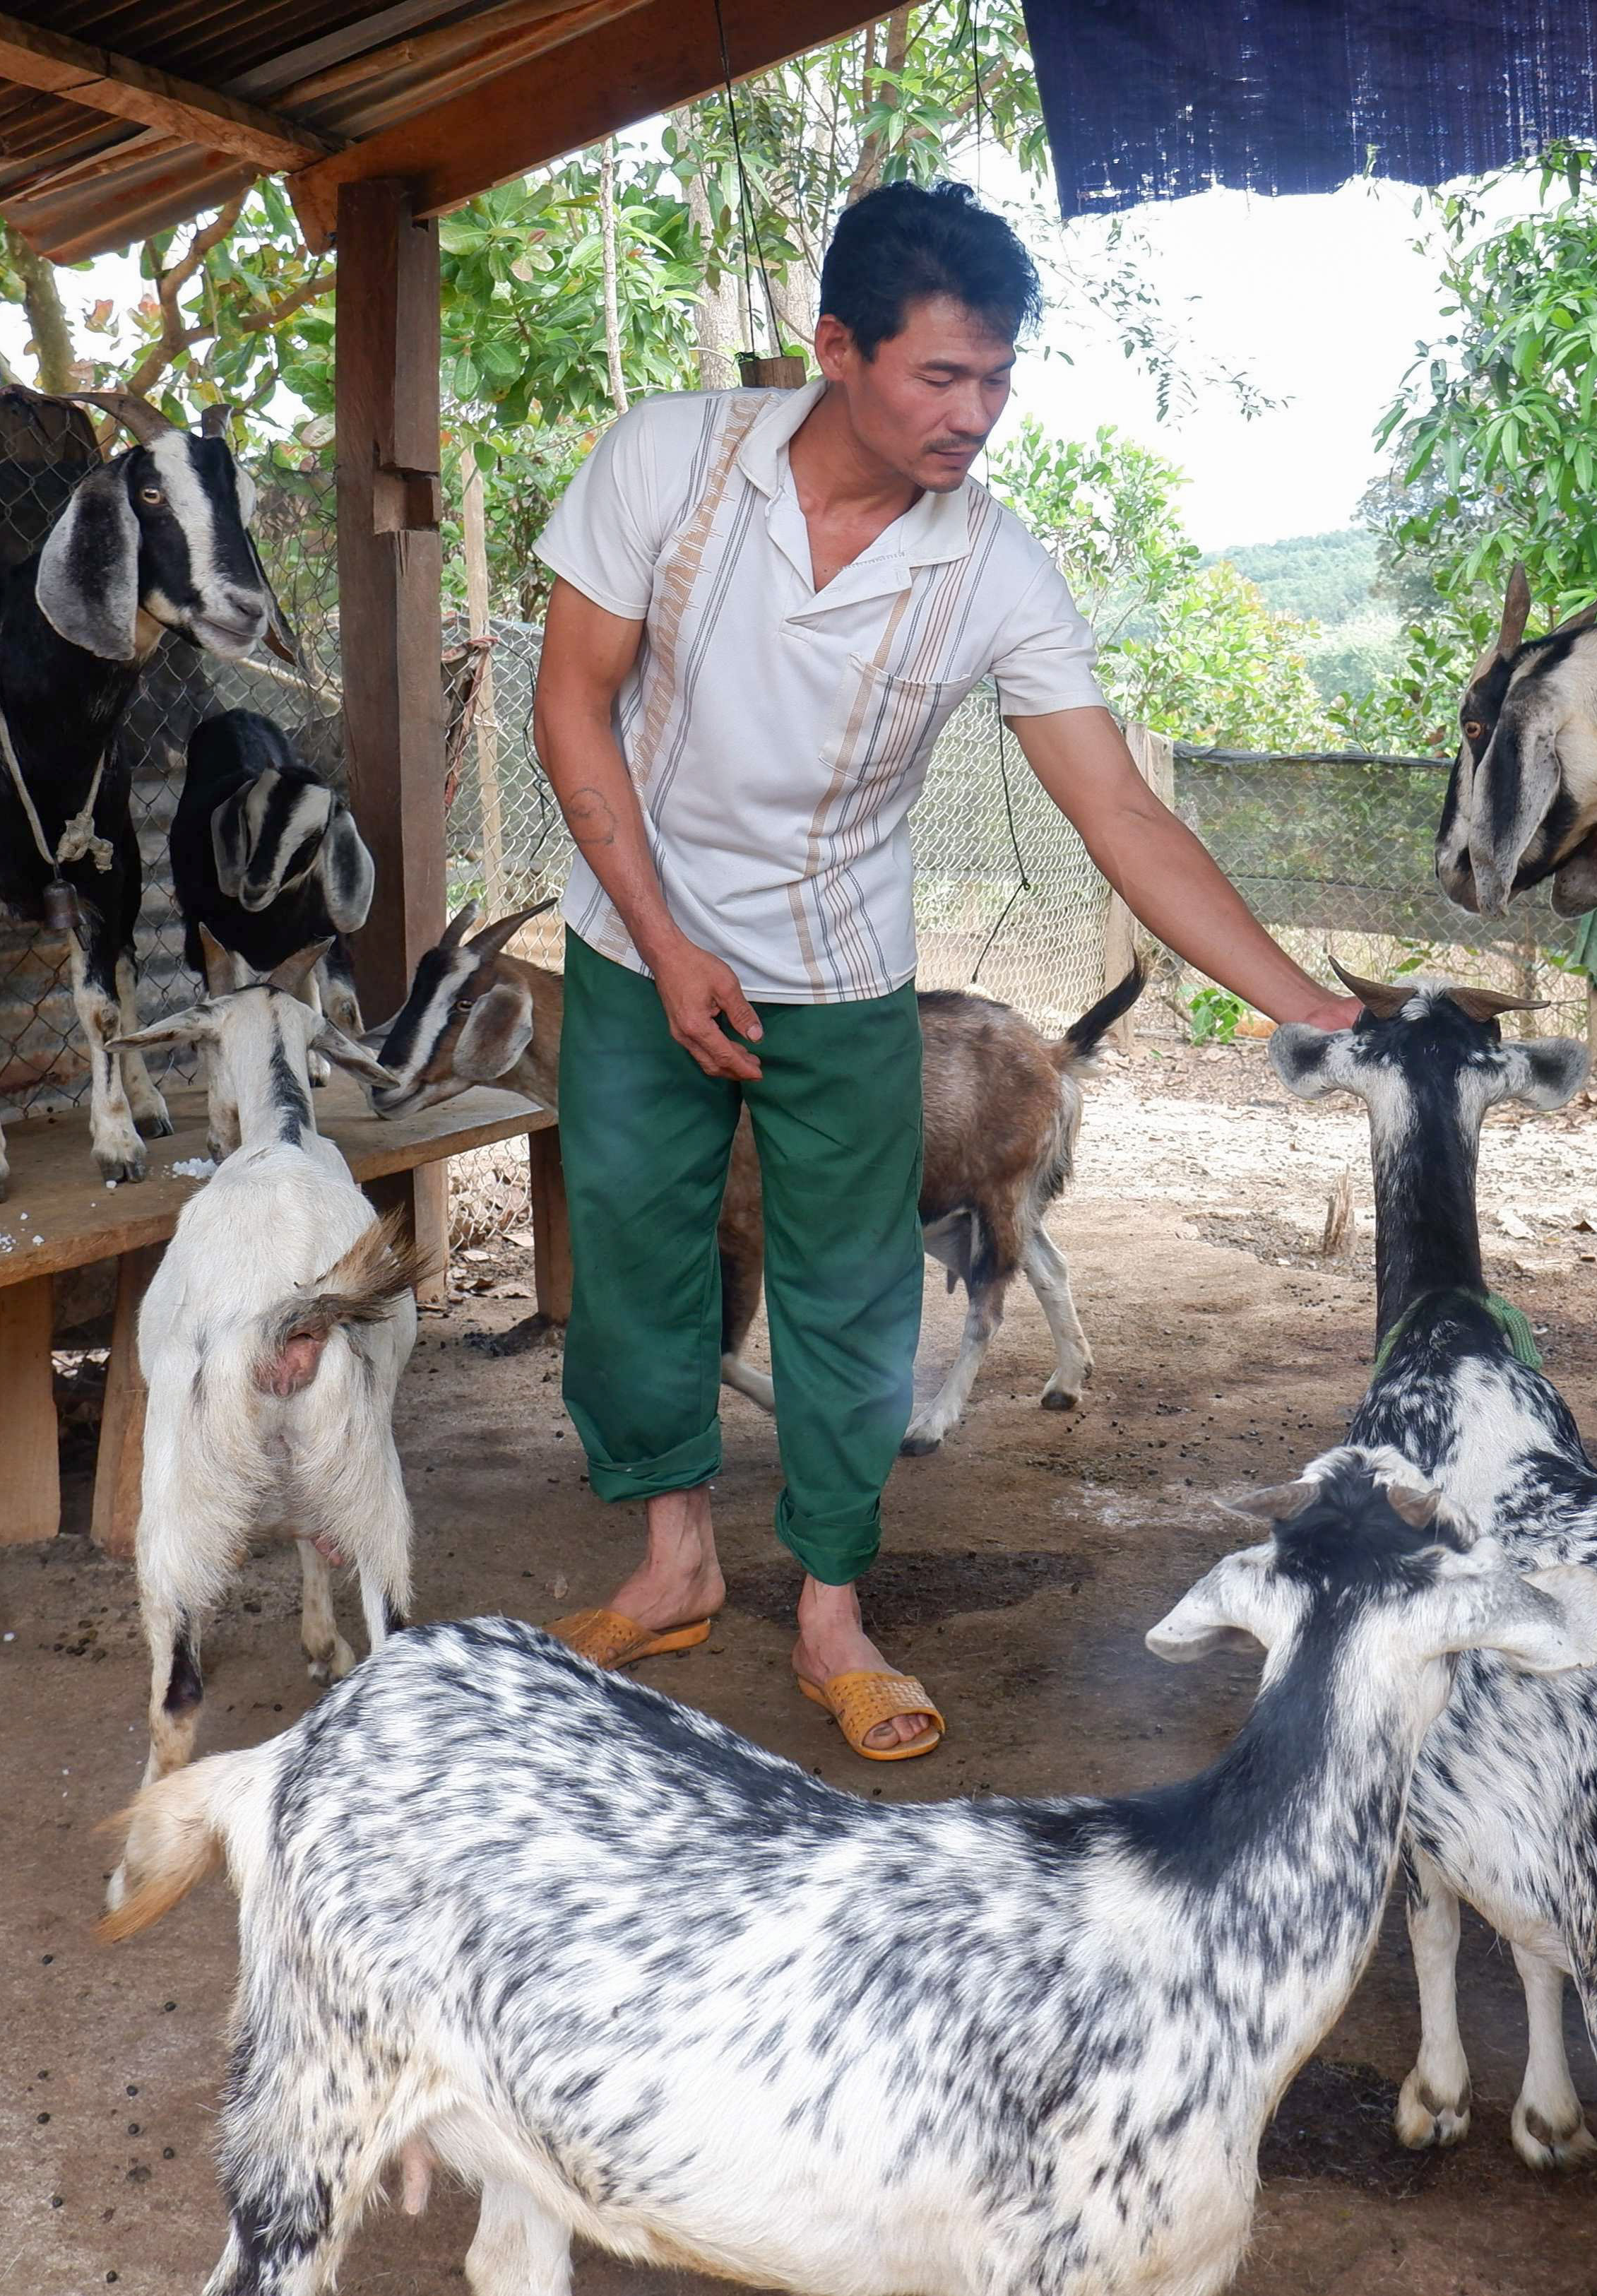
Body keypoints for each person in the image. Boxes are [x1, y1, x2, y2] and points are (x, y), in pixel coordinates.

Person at [529, 180, 1359, 1760]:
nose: (975, 415)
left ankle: (831, 1611)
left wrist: (1301, 1001)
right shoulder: (665, 460)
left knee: (844, 1294)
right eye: (939, 376)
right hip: (635, 929)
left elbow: (1111, 800)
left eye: (997, 378)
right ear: (833, 348)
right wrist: (665, 940)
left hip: (840, 966)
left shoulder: (991, 565)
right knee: (635, 1261)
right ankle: (675, 1560)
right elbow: (572, 705)